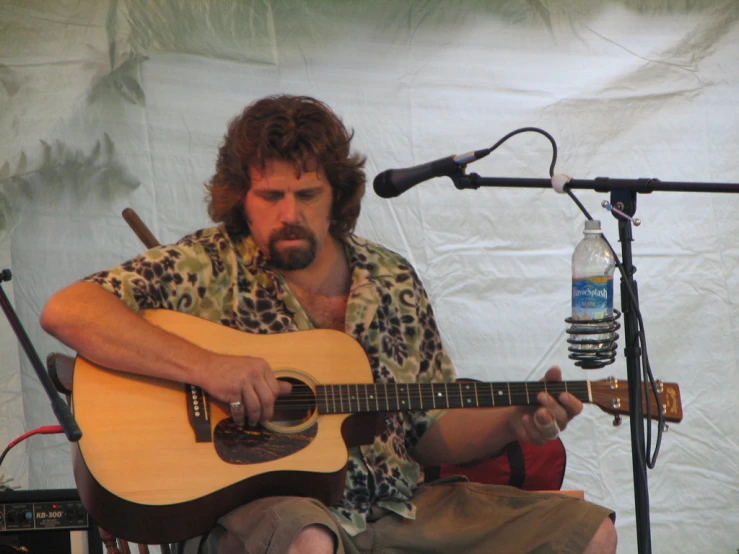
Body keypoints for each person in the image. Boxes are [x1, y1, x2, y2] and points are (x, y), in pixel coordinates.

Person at [40, 94, 616, 554]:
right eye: (270, 195)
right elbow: (69, 309)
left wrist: (515, 420)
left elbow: (430, 428)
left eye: (307, 193)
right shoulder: (206, 264)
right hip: (270, 513)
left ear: (337, 193)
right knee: (311, 543)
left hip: (401, 509)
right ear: (240, 197)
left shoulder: (391, 278)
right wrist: (208, 367)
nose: (288, 214)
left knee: (590, 533)